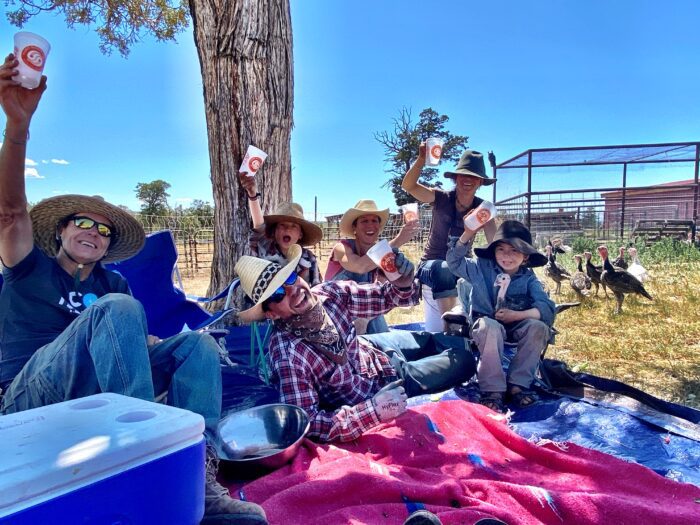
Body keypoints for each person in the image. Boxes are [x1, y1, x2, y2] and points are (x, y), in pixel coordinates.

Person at [0, 54, 266, 525]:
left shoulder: (112, 281)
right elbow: (10, 213)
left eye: (103, 230)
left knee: (198, 346)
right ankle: (149, 464)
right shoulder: (29, 268)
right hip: (28, 398)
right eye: (82, 223)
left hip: (93, 395)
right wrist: (17, 127)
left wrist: (170, 346)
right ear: (60, 231)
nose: (93, 232)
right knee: (118, 307)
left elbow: (132, 343)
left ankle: (197, 478)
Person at [233, 245, 475, 443]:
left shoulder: (328, 293)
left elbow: (385, 297)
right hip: (378, 386)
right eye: (277, 295)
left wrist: (402, 282)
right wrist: (373, 410)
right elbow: (306, 423)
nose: (292, 290)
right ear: (272, 314)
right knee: (464, 361)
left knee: (442, 342)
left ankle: (459, 337)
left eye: (290, 277)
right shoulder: (288, 354)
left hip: (371, 348)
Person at [446, 219, 555, 413]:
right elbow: (454, 262)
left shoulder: (528, 278)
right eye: (501, 249)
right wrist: (467, 234)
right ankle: (493, 389)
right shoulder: (480, 267)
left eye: (515, 250)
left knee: (538, 327)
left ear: (526, 257)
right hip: (486, 323)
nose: (507, 256)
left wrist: (517, 315)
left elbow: (547, 308)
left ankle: (518, 385)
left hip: (516, 326)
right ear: (493, 251)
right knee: (490, 327)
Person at [402, 144, 497, 329]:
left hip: (461, 263)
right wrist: (421, 159)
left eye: (474, 177)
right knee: (445, 269)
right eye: (464, 175)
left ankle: (480, 329)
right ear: (455, 178)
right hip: (432, 263)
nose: (468, 180)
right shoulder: (441, 198)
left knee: (485, 274)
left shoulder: (483, 209)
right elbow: (408, 186)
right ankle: (450, 331)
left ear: (480, 183)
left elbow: (495, 243)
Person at [324, 199, 420, 333]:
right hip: (336, 313)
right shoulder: (342, 247)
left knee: (374, 318)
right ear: (354, 227)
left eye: (374, 221)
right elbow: (358, 266)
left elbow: (381, 294)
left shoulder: (381, 254)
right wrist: (398, 241)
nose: (370, 225)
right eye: (364, 221)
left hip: (364, 311)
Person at [238, 171, 322, 286]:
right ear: (275, 231)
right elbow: (259, 226)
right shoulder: (266, 248)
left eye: (293, 226)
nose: (287, 229)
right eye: (282, 225)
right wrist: (253, 195)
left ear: (300, 234)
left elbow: (316, 287)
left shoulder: (309, 257)